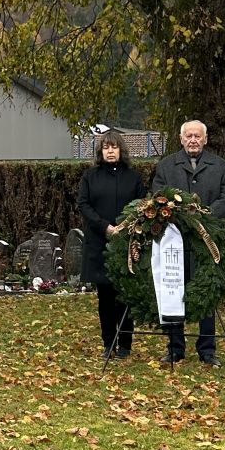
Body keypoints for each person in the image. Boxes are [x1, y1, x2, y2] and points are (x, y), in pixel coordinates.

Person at [152, 119, 225, 367]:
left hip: (207, 242)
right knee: (173, 292)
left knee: (206, 295)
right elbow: (158, 196)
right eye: (188, 136)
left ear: (205, 139)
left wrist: (205, 216)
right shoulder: (166, 166)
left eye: (197, 136)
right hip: (175, 242)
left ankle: (207, 350)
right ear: (181, 139)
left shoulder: (220, 166)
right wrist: (177, 215)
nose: (193, 140)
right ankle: (175, 348)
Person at [78, 130, 146, 359]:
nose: (110, 151)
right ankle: (109, 343)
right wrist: (105, 226)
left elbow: (142, 206)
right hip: (100, 243)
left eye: (114, 147)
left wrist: (126, 227)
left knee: (125, 296)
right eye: (106, 147)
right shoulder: (90, 176)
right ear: (100, 151)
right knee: (105, 297)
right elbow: (84, 205)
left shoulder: (134, 177)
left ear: (121, 150)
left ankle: (125, 343)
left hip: (127, 243)